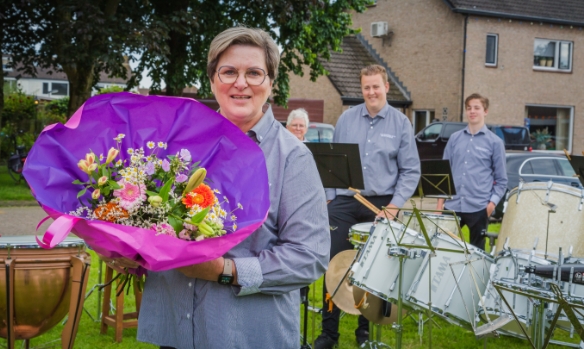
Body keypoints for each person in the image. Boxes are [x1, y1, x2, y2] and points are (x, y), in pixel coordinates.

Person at [106, 27, 330, 349]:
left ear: (271, 83)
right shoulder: (177, 144)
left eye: (254, 73)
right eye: (229, 72)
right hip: (176, 330)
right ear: (213, 79)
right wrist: (128, 250)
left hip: (245, 335)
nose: (241, 83)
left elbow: (309, 256)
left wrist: (225, 271)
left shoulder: (292, 158)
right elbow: (152, 221)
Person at [315, 64, 420, 349]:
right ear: (361, 89)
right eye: (366, 87)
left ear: (386, 87)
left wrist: (395, 206)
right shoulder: (346, 119)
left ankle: (364, 333)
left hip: (382, 205)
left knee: (373, 270)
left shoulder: (401, 123)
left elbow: (411, 171)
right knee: (334, 265)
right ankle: (329, 334)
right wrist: (329, 195)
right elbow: (332, 162)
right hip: (346, 201)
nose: (371, 92)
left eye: (376, 86)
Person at [436, 93, 507, 250]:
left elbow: (502, 180)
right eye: (469, 108)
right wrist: (440, 206)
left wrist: (490, 205)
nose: (472, 111)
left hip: (479, 208)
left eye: (477, 108)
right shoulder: (454, 139)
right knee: (443, 249)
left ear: (485, 111)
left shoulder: (495, 143)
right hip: (452, 206)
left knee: (477, 255)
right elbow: (443, 173)